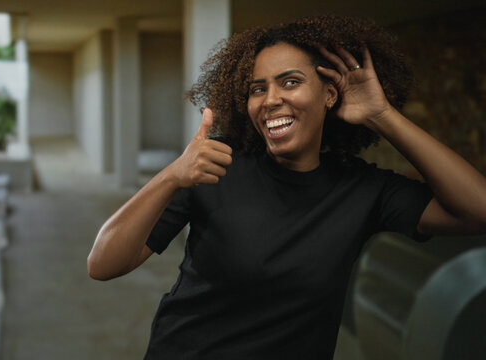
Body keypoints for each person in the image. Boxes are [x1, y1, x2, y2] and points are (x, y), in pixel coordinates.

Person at [87, 15, 486, 359]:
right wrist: (172, 175)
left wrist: (382, 116)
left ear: (330, 94)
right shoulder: (216, 164)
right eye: (257, 89)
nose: (271, 99)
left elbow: (478, 210)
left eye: (290, 82)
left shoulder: (362, 188)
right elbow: (102, 264)